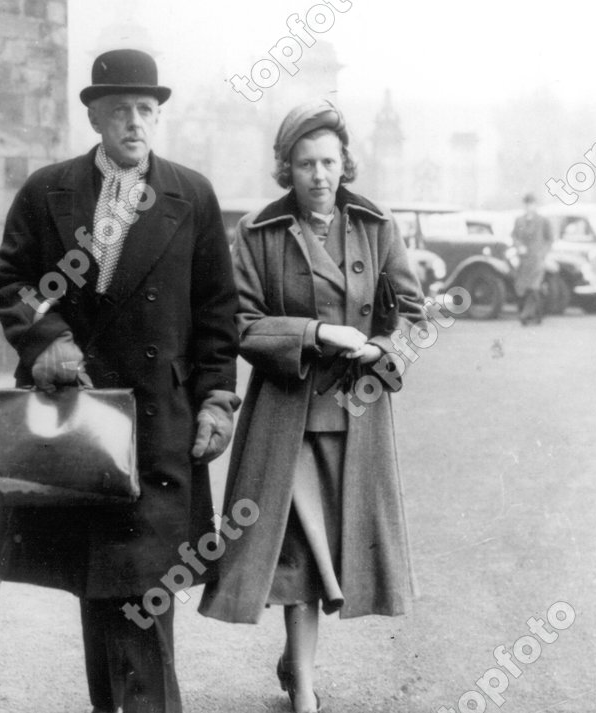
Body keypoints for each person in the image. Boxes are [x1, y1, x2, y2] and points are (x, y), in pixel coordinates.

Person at [0, 49, 240, 713]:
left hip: (161, 422)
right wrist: (49, 343)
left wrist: (216, 399)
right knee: (99, 585)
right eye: (120, 109)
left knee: (141, 592)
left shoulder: (193, 195)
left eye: (147, 110)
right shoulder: (49, 191)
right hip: (80, 417)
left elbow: (218, 312)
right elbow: (10, 282)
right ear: (95, 116)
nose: (135, 122)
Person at [198, 99, 425, 713]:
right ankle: (303, 688)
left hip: (356, 415)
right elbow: (239, 323)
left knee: (339, 549)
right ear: (287, 169)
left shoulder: (377, 227)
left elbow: (412, 314)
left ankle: (296, 665)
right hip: (286, 416)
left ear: (345, 163)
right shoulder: (257, 233)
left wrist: (380, 346)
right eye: (305, 164)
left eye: (328, 162)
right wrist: (317, 335)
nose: (319, 175)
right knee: (297, 553)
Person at [511, 193, 553, 324]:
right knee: (524, 288)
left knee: (533, 287)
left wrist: (543, 253)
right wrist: (519, 246)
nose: (529, 207)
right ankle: (537, 315)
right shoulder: (519, 220)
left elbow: (550, 239)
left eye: (532, 204)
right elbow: (514, 237)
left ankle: (525, 315)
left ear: (536, 205)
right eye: (527, 204)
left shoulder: (543, 221)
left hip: (537, 259)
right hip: (523, 260)